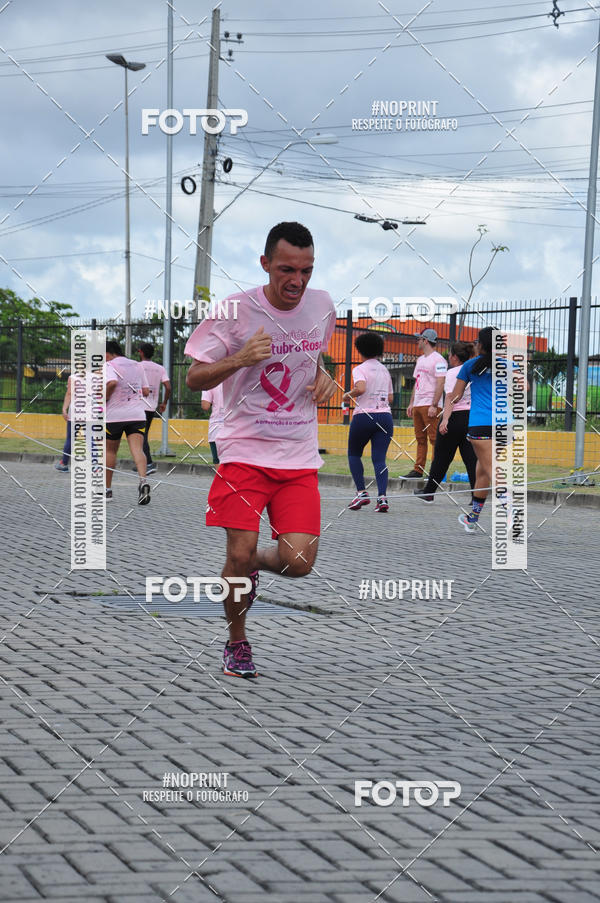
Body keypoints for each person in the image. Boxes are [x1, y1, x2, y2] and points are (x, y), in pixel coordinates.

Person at [185, 221, 337, 679]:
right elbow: (195, 377)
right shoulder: (234, 311)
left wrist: (325, 377)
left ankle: (249, 566)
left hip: (298, 455)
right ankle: (237, 642)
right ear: (265, 263)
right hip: (243, 450)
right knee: (238, 548)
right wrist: (240, 359)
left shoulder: (322, 305)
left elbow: (313, 358)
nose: (298, 281)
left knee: (298, 562)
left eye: (307, 270)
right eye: (287, 269)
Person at [441, 326, 494, 531]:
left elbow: (455, 396)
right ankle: (473, 518)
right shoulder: (509, 365)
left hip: (481, 424)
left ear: (480, 345)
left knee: (492, 470)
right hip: (505, 424)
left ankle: (513, 516)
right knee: (481, 470)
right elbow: (523, 388)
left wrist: (448, 404)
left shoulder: (470, 366)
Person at [413, 341, 477, 503]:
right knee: (471, 459)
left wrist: (445, 419)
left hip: (455, 417)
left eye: (449, 354)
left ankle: (429, 492)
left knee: (441, 458)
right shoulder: (474, 370)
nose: (448, 357)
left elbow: (451, 397)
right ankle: (476, 497)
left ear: (455, 357)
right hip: (472, 418)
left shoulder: (452, 373)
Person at [343, 331, 394, 513]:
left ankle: (361, 493)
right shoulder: (385, 370)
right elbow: (390, 397)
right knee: (379, 458)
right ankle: (382, 498)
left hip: (364, 416)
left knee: (354, 453)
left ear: (360, 350)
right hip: (385, 417)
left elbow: (361, 388)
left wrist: (347, 395)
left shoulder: (360, 369)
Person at [105, 340, 151, 505]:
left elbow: (112, 382)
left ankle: (107, 491)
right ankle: (143, 481)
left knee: (110, 452)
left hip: (114, 416)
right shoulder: (138, 365)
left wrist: (105, 397)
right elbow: (146, 391)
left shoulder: (109, 365)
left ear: (108, 353)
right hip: (137, 414)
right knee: (138, 450)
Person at [403, 328, 447, 479]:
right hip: (418, 404)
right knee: (420, 439)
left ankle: (435, 472)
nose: (417, 342)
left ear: (425, 340)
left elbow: (441, 383)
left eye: (419, 339)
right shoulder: (420, 359)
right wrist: (411, 403)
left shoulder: (439, 360)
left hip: (430, 405)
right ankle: (418, 470)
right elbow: (417, 382)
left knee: (435, 439)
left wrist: (434, 405)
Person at [138, 342, 171, 475]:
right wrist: (164, 403)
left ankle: (149, 464)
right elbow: (168, 387)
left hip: (138, 406)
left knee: (140, 436)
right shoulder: (160, 368)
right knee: (141, 435)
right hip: (151, 406)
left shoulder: (137, 366)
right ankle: (141, 463)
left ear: (141, 352)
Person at [201, 383, 225, 465]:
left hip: (217, 427)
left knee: (218, 461)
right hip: (236, 426)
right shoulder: (237, 377)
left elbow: (205, 406)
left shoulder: (210, 381)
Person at [54, 375, 74, 471]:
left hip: (76, 413)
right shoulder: (95, 377)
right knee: (90, 439)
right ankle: (96, 466)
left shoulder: (73, 377)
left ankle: (64, 464)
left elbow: (69, 393)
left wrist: (64, 409)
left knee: (70, 439)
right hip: (90, 413)